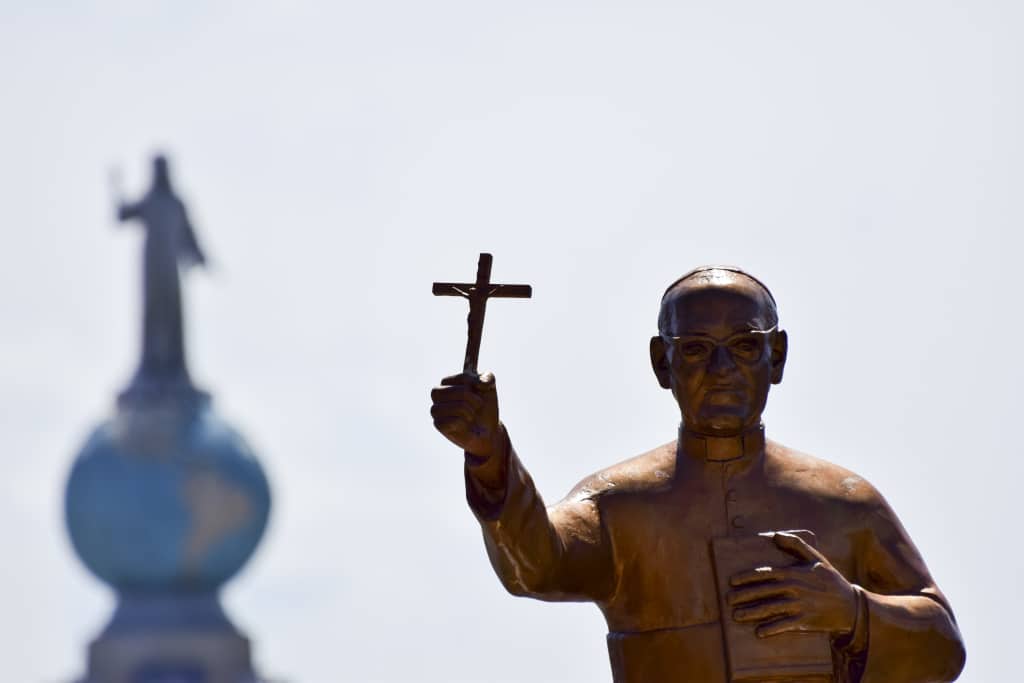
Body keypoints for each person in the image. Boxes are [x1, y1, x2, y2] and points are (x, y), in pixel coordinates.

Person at [430, 266, 965, 683]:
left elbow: (942, 645)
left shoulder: (846, 503)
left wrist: (851, 611)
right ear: (662, 364)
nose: (722, 370)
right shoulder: (618, 503)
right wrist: (489, 456)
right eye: (695, 351)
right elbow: (537, 565)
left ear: (776, 356)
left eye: (745, 346)